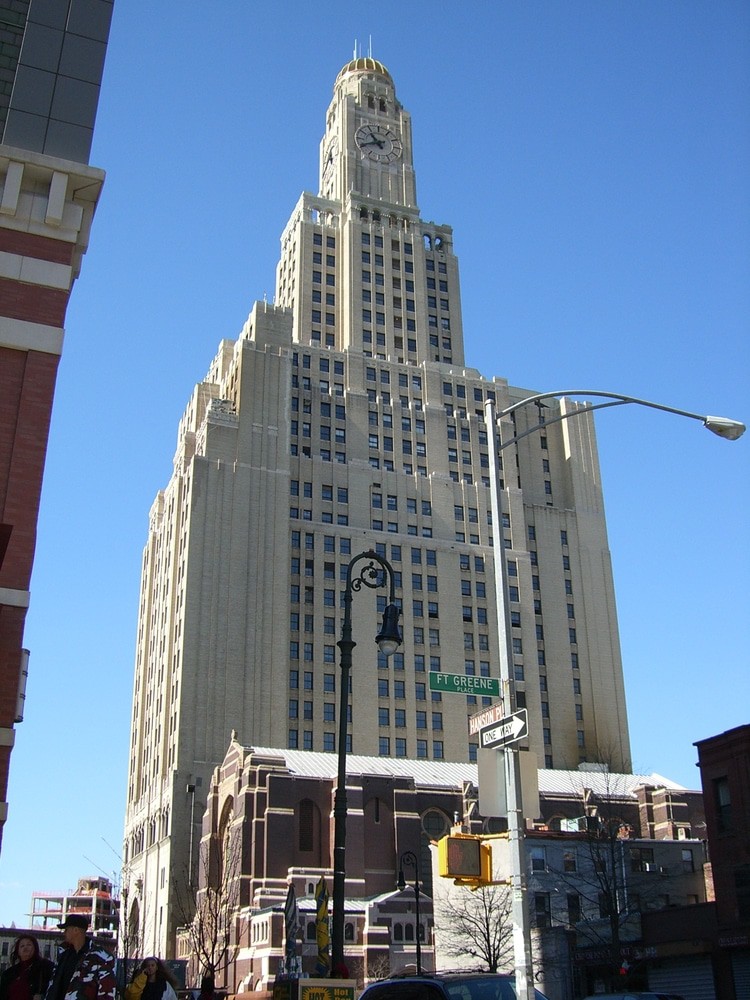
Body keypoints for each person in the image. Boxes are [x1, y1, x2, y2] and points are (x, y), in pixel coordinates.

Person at [45, 915, 115, 1000]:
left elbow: (107, 991)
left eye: (66, 929)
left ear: (76, 930)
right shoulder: (63, 955)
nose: (64, 933)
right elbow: (53, 986)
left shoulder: (101, 957)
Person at [0, 935, 54, 1000]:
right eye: (22, 946)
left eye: (29, 945)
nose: (25, 947)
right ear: (18, 952)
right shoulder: (8, 974)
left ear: (35, 948)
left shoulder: (46, 967)